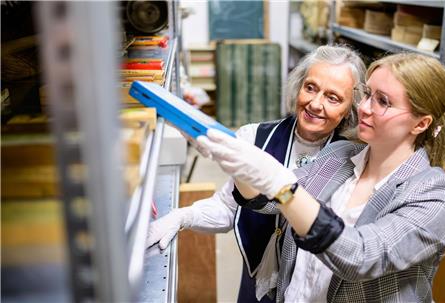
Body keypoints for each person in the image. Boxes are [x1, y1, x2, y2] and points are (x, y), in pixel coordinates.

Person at [197, 53, 445, 302]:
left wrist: (279, 183)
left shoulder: (435, 195)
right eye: (367, 94)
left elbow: (362, 255)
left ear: (421, 124)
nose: (365, 108)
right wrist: (239, 164)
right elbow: (274, 202)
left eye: (383, 101)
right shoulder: (340, 154)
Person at [146, 45, 367, 302]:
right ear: (298, 86)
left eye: (333, 98)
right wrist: (182, 216)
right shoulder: (254, 137)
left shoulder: (355, 159)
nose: (315, 104)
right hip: (256, 281)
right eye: (310, 87)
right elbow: (228, 209)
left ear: (350, 108)